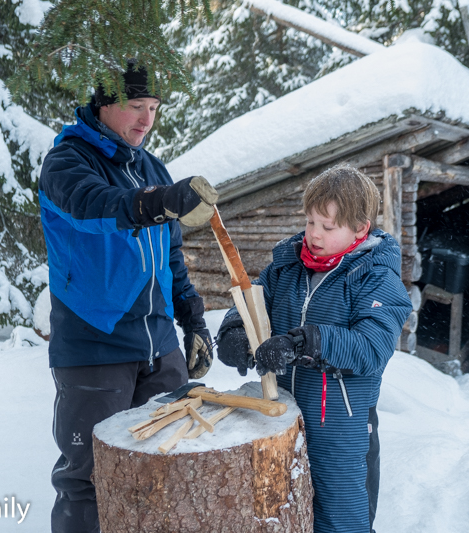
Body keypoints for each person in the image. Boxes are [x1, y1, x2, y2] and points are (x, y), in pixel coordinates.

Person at [39, 62, 218, 533]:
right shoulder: (67, 162)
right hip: (95, 348)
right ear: (103, 104)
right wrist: (155, 201)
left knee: (165, 470)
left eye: (154, 108)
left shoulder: (150, 167)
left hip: (160, 350)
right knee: (88, 479)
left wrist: (193, 322)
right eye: (136, 106)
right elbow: (93, 205)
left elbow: (170, 257)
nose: (146, 120)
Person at [216, 164, 412, 533]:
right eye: (310, 222)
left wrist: (304, 342)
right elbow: (250, 303)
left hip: (342, 430)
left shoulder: (376, 277)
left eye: (328, 226)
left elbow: (371, 347)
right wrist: (234, 335)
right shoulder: (286, 267)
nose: (314, 235)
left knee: (340, 523)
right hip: (279, 423)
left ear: (360, 228)